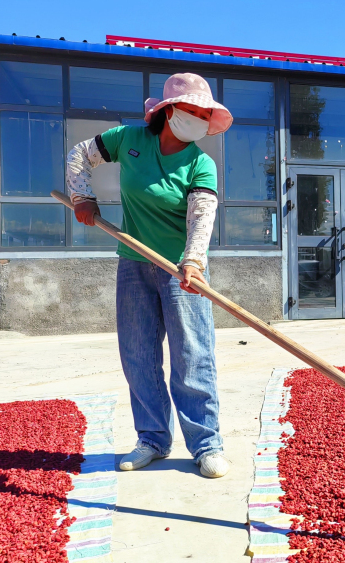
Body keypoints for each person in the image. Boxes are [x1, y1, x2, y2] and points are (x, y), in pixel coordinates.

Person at [66, 73, 233, 478]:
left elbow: (201, 220)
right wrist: (82, 197)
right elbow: (79, 155)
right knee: (138, 355)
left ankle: (206, 444)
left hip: (181, 270)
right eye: (191, 110)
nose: (198, 118)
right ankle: (153, 439)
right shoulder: (128, 140)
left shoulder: (200, 164)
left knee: (193, 356)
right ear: (168, 111)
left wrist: (192, 263)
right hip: (134, 263)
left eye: (203, 113)